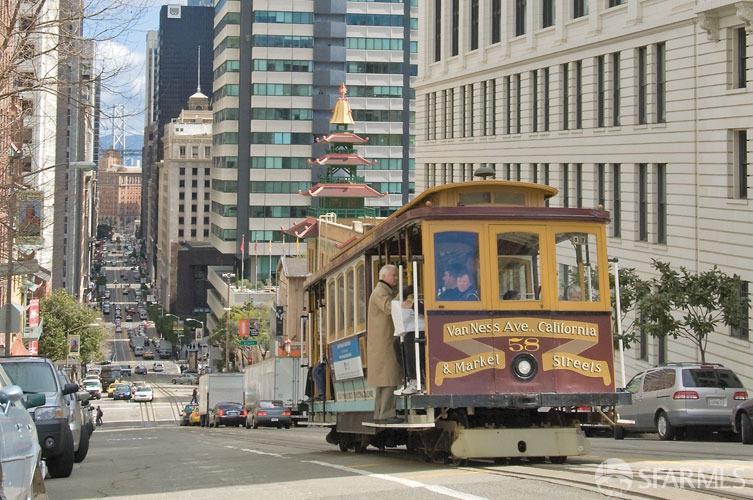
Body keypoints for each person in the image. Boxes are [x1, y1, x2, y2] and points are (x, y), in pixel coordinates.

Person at [366, 264, 404, 424]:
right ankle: (386, 414)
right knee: (389, 378)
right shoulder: (381, 292)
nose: (396, 278)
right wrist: (402, 293)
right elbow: (390, 308)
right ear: (384, 276)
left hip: (382, 342)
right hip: (384, 342)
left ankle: (380, 414)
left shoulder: (381, 291)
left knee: (383, 381)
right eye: (394, 275)